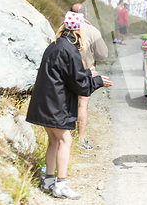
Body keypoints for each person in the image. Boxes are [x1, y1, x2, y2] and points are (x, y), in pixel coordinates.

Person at [26, 11, 113, 199]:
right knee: (65, 140)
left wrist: (87, 74)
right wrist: (97, 81)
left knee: (53, 141)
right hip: (57, 106)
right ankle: (61, 185)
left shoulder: (55, 45)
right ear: (79, 30)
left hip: (44, 103)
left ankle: (49, 180)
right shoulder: (71, 51)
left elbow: (68, 75)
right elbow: (79, 85)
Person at [71, 4, 109, 150]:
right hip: (85, 72)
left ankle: (66, 134)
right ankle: (80, 138)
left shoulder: (63, 28)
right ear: (85, 15)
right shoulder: (92, 30)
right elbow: (103, 54)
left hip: (66, 72)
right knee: (82, 104)